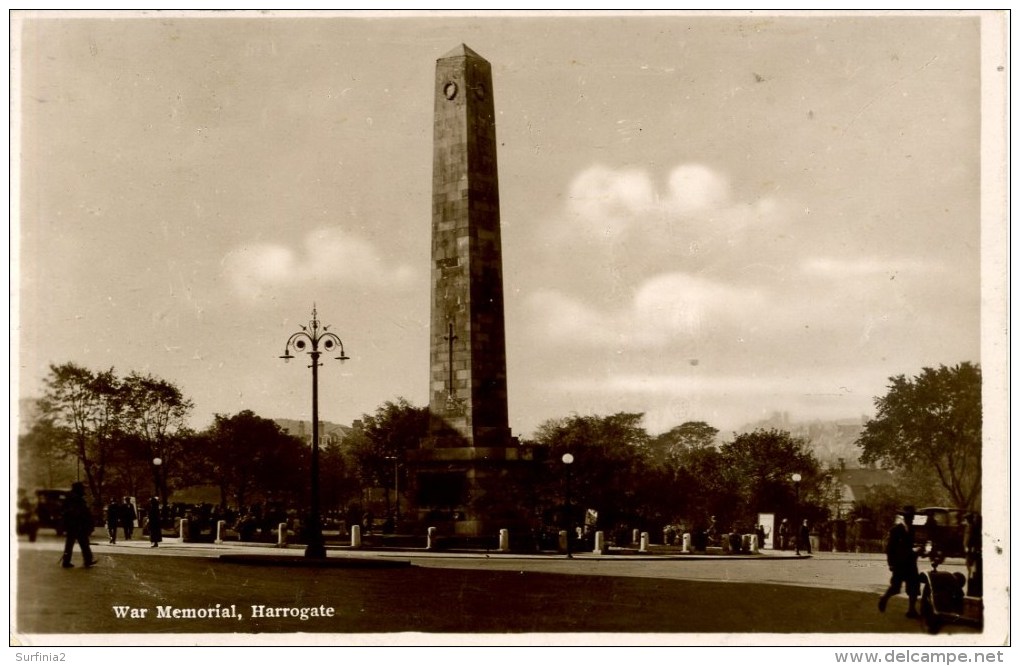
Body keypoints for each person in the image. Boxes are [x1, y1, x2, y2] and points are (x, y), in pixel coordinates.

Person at [878, 505, 922, 618]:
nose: (911, 519)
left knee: (914, 587)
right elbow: (889, 549)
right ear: (904, 517)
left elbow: (911, 546)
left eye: (912, 517)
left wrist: (917, 551)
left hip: (911, 563)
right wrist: (891, 563)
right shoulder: (895, 530)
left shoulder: (912, 530)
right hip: (899, 564)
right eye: (908, 517)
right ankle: (884, 598)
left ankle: (911, 610)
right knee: (896, 587)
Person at [61, 482, 97, 568]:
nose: (83, 490)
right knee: (83, 544)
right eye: (82, 488)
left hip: (73, 525)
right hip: (77, 525)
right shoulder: (76, 499)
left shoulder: (70, 498)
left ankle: (67, 561)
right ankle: (87, 560)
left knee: (70, 544)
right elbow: (79, 512)